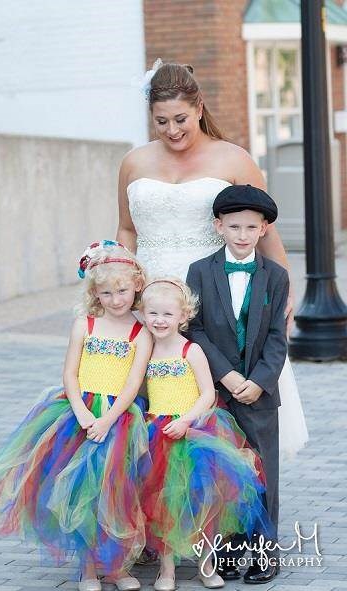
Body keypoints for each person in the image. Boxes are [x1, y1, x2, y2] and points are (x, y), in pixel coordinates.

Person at [116, 59, 308, 461]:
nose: (172, 131)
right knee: (153, 402)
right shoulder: (134, 162)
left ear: (200, 107)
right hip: (148, 300)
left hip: (216, 298)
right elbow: (127, 230)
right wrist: (118, 281)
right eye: (161, 122)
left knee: (217, 399)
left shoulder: (234, 159)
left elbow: (264, 229)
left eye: (181, 118)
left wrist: (283, 291)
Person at [0, 241, 153, 591]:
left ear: (136, 283)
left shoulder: (141, 333)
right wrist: (81, 412)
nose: (116, 298)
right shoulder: (85, 325)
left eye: (121, 290)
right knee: (81, 492)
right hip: (76, 415)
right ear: (95, 293)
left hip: (119, 418)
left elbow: (134, 383)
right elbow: (70, 375)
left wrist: (107, 419)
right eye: (106, 292)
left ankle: (117, 567)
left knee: (118, 492)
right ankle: (88, 568)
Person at [139, 277, 274, 591]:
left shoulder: (191, 350)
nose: (160, 321)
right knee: (162, 503)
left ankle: (206, 564)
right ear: (144, 315)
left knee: (202, 501)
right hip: (156, 431)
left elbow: (206, 395)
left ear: (183, 317)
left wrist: (186, 421)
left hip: (194, 432)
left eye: (168, 314)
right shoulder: (146, 350)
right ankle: (166, 569)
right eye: (153, 314)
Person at [186, 184, 289, 584]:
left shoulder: (275, 276)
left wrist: (260, 381)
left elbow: (278, 337)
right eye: (234, 226)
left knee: (263, 471)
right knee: (222, 472)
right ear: (219, 226)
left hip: (260, 394)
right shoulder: (199, 271)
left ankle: (265, 552)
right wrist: (225, 375)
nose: (242, 234)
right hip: (216, 390)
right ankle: (228, 549)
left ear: (263, 229)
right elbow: (194, 327)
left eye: (251, 227)